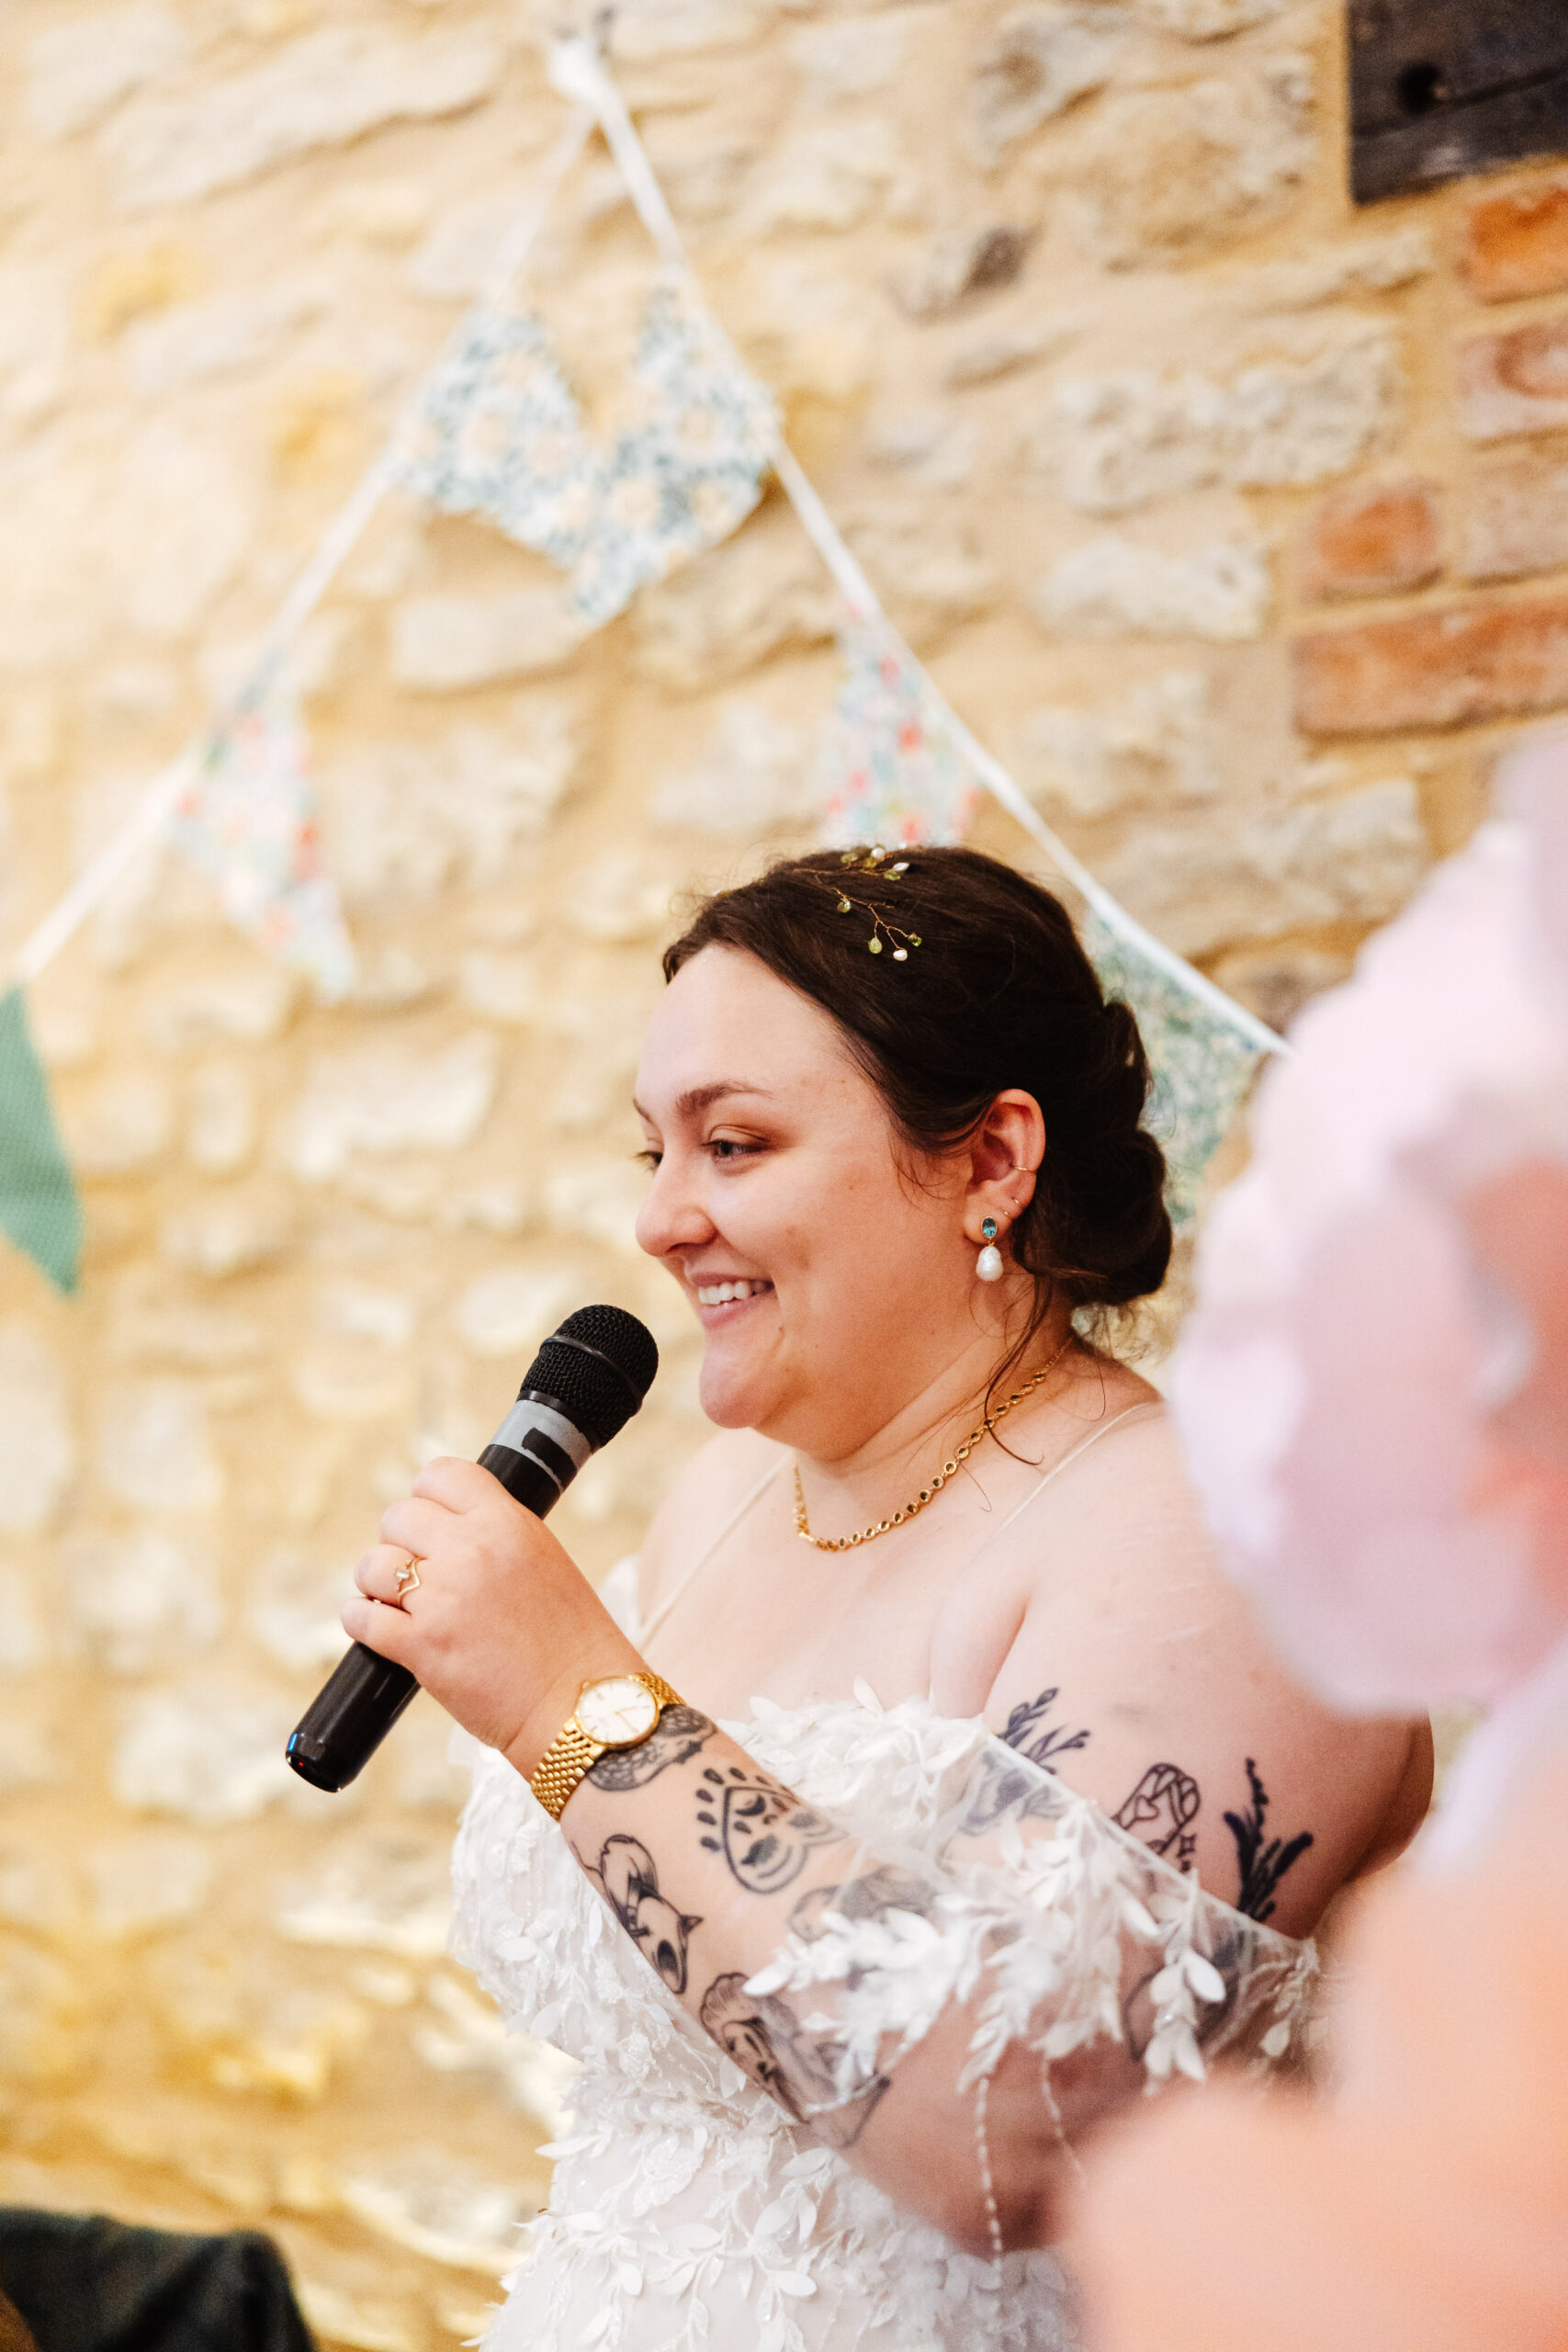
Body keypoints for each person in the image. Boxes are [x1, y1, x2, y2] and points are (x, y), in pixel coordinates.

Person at [343, 846, 1430, 2352]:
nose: (661, 1219)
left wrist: (565, 1700)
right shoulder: (725, 1499)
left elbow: (1004, 2130)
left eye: (735, 1143)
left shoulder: (1213, 1542)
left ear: (990, 1161)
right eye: (650, 1151)